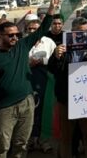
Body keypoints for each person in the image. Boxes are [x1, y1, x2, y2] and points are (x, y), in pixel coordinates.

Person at [0, 0, 55, 158]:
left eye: (17, 35)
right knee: (3, 146)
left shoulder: (22, 46)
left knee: (21, 143)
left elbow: (42, 29)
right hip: (4, 107)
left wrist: (51, 9)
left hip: (27, 102)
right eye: (10, 35)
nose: (14, 38)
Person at [48, 17, 87, 158]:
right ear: (72, 31)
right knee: (66, 135)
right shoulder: (62, 46)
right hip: (66, 97)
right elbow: (52, 69)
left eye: (85, 32)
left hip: (86, 98)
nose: (82, 35)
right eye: (79, 32)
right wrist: (56, 56)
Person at [25, 17, 56, 153]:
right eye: (30, 29)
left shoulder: (48, 42)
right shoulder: (22, 43)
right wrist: (28, 63)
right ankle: (30, 140)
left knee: (45, 110)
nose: (32, 31)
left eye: (35, 29)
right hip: (27, 80)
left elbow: (56, 61)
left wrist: (44, 61)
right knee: (29, 111)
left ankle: (44, 141)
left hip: (45, 80)